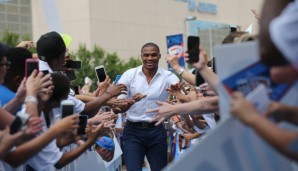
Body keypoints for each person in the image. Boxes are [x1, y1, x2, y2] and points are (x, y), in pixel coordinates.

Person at [117, 42, 179, 171]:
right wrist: (131, 101)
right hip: (133, 132)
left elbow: (180, 90)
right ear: (141, 56)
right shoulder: (129, 75)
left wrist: (177, 91)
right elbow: (117, 108)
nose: (150, 58)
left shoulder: (168, 76)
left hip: (157, 131)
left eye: (153, 55)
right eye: (146, 55)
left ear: (159, 56)